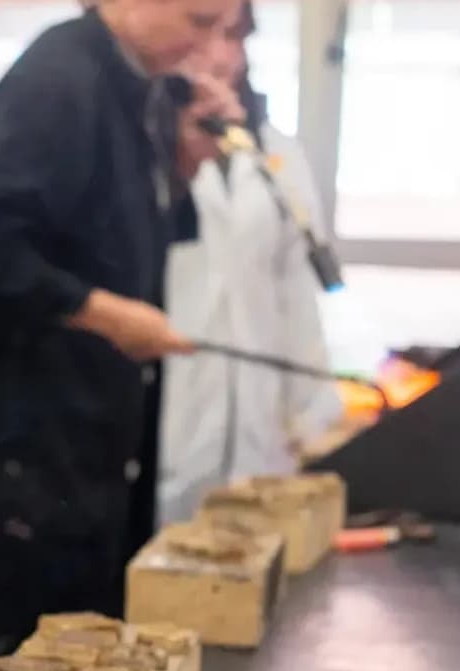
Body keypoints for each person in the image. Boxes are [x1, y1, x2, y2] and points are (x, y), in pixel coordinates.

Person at [0, 0, 244, 671]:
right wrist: (103, 314)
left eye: (223, 28)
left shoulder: (138, 85)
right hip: (22, 448)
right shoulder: (58, 76)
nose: (209, 46)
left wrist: (187, 163)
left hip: (85, 445)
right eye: (198, 21)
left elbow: (109, 234)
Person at [159, 0, 345, 522]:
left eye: (234, 36)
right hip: (169, 422)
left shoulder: (277, 155)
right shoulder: (133, 150)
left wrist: (312, 418)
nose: (221, 55)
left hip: (258, 435)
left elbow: (296, 293)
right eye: (204, 31)